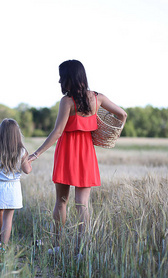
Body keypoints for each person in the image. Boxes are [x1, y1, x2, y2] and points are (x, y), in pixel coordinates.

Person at [28, 59, 127, 255]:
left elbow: (57, 132)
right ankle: (83, 249)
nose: (59, 82)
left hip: (67, 152)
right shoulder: (97, 99)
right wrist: (104, 131)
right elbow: (122, 115)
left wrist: (36, 153)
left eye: (61, 77)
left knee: (61, 202)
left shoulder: (67, 101)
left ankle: (57, 246)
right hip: (87, 153)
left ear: (69, 79)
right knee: (83, 204)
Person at [0, 118, 32, 252]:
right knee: (8, 218)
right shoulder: (22, 152)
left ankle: (0, 239)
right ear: (17, 134)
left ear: (0, 134)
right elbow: (27, 170)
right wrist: (30, 164)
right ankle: (4, 246)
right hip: (13, 188)